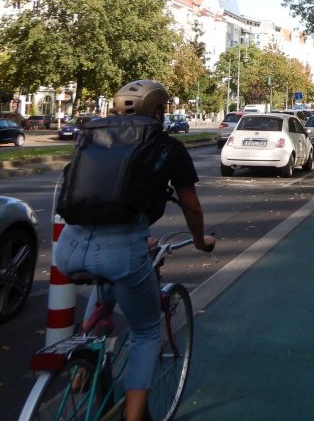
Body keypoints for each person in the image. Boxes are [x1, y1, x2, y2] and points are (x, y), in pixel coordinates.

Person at [54, 80, 216, 421]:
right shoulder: (166, 146)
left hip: (68, 247)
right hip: (122, 248)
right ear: (158, 112)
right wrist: (201, 241)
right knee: (145, 331)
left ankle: (85, 364)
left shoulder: (91, 137)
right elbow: (192, 207)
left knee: (104, 292)